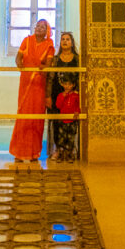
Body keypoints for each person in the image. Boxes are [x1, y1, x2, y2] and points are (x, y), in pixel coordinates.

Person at [9, 18, 54, 162]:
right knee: (23, 116)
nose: (39, 28)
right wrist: (19, 63)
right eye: (38, 26)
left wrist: (43, 68)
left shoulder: (49, 44)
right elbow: (18, 58)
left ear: (47, 31)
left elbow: (48, 64)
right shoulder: (26, 40)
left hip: (39, 84)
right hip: (26, 82)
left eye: (43, 27)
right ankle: (19, 153)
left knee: (36, 118)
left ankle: (34, 153)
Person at [45, 31, 80, 161]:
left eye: (68, 39)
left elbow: (80, 78)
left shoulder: (77, 59)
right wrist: (48, 96)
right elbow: (49, 78)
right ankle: (59, 149)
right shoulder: (55, 59)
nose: (65, 41)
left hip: (73, 96)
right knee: (57, 122)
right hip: (57, 95)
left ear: (72, 42)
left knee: (71, 123)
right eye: (63, 39)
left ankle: (70, 150)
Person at [55, 74, 80, 162]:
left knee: (70, 138)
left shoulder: (76, 96)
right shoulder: (60, 95)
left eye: (69, 84)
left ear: (73, 85)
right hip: (63, 121)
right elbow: (58, 105)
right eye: (65, 84)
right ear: (62, 84)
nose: (67, 86)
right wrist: (63, 97)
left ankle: (69, 155)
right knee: (61, 138)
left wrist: (77, 111)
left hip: (72, 121)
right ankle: (61, 154)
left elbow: (78, 106)